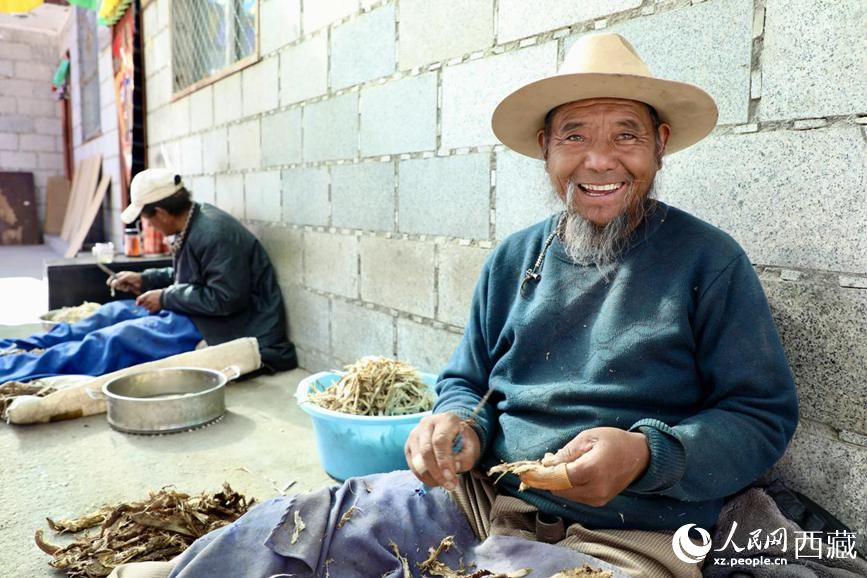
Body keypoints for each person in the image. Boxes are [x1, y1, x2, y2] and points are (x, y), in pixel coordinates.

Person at [106, 34, 798, 578]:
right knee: (302, 526)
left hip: (633, 531)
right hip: (485, 497)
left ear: (659, 146)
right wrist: (455, 423)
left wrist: (648, 454)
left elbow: (759, 415)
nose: (599, 161)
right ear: (544, 150)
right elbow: (467, 377)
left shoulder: (708, 262)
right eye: (574, 136)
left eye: (625, 134)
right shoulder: (514, 259)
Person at [111, 168, 298, 371]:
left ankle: (70, 366)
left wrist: (165, 298)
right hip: (204, 317)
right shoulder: (195, 222)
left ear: (161, 213)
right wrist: (144, 279)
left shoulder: (213, 233)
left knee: (121, 338)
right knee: (115, 313)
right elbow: (194, 275)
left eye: (148, 221)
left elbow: (226, 298)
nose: (151, 226)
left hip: (232, 328)